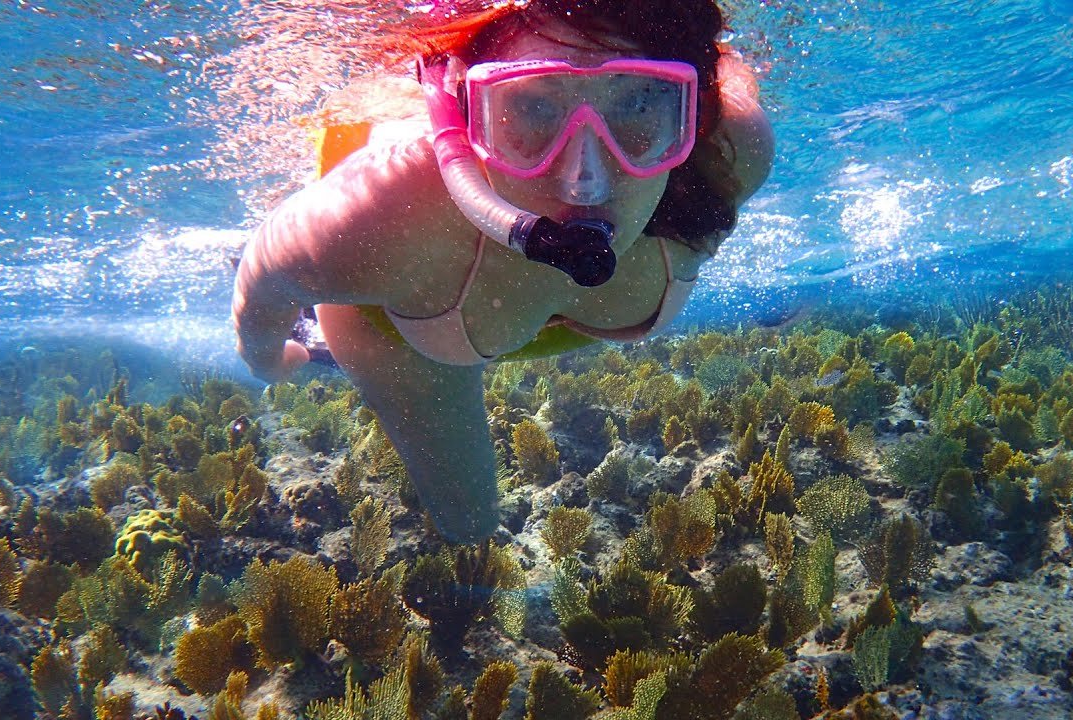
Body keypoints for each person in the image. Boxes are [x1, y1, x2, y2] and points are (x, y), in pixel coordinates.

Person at [232, 0, 774, 543]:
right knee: (468, 526)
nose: (584, 183)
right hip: (406, 326)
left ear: (691, 113)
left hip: (461, 308)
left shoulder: (730, 152)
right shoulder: (387, 215)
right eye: (531, 108)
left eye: (639, 103)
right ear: (465, 114)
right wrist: (269, 360)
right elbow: (265, 273)